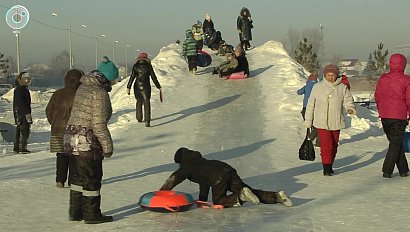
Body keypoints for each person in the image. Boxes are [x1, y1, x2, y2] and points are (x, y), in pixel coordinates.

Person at [160, 147, 293, 208]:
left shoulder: (187, 166)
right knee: (249, 191)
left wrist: (161, 193)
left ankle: (240, 197)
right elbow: (204, 183)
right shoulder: (199, 161)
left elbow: (174, 178)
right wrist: (202, 201)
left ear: (181, 161)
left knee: (219, 200)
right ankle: (276, 197)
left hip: (218, 177)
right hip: (227, 169)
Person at [64, 70, 114, 224]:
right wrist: (107, 146)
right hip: (87, 139)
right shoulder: (99, 93)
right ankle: (92, 215)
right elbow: (98, 124)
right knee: (92, 177)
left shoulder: (82, 88)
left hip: (71, 137)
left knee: (78, 177)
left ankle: (76, 212)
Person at [305, 64, 356, 176]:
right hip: (321, 122)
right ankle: (326, 167)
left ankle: (330, 163)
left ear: (336, 75)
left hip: (336, 121)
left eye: (332, 75)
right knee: (326, 145)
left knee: (334, 145)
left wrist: (350, 108)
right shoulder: (317, 87)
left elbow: (348, 99)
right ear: (324, 75)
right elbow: (310, 104)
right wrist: (308, 120)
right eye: (328, 75)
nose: (330, 77)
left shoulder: (342, 87)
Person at [46, 69, 84, 188]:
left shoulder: (57, 93)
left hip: (58, 129)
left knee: (61, 155)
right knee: (74, 155)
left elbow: (48, 111)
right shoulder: (81, 94)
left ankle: (60, 180)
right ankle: (72, 180)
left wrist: (54, 122)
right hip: (75, 130)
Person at [374, 53, 410, 178]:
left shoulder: (383, 78)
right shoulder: (407, 80)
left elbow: (377, 96)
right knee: (395, 143)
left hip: (385, 116)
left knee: (396, 142)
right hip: (399, 116)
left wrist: (381, 110)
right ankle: (387, 170)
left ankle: (404, 170)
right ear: (404, 65)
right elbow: (409, 99)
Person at [126, 52, 162, 127]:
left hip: (137, 86)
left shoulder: (135, 66)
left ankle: (139, 118)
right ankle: (147, 120)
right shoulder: (149, 66)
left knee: (139, 102)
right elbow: (153, 77)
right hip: (146, 87)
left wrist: (128, 87)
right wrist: (158, 86)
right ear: (147, 58)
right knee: (147, 102)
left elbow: (132, 77)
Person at [297, 72, 319, 146]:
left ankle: (310, 131)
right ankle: (314, 131)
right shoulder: (318, 86)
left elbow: (299, 92)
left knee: (306, 116)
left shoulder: (307, 86)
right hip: (315, 107)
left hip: (306, 107)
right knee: (315, 121)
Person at [13, 72, 32, 154]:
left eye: (28, 79)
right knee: (24, 130)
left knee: (19, 129)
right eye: (25, 79)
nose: (27, 80)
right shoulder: (21, 89)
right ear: (20, 80)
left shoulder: (20, 88)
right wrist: (27, 113)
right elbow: (21, 103)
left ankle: (17, 147)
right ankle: (22, 147)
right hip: (22, 113)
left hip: (19, 112)